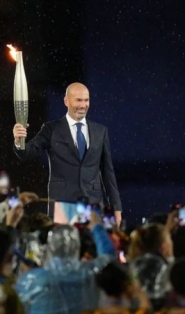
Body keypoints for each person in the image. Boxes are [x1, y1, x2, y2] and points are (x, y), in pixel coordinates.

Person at [12, 82, 122, 225]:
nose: (83, 105)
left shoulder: (100, 131)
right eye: (78, 100)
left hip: (93, 205)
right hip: (62, 207)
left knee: (92, 247)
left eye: (86, 100)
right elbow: (26, 153)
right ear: (66, 101)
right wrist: (18, 140)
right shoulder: (51, 129)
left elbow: (108, 173)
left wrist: (116, 208)